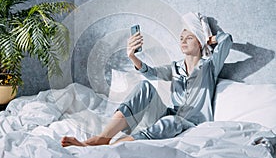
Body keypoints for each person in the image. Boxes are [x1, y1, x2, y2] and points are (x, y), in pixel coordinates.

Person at [61, 12, 233, 147]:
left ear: (199, 41)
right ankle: (102, 139)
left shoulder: (209, 66)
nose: (183, 41)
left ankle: (114, 146)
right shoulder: (175, 68)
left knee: (173, 121)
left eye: (189, 37)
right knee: (146, 86)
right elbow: (150, 73)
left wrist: (209, 39)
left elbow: (227, 40)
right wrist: (131, 56)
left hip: (191, 124)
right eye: (181, 38)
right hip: (169, 116)